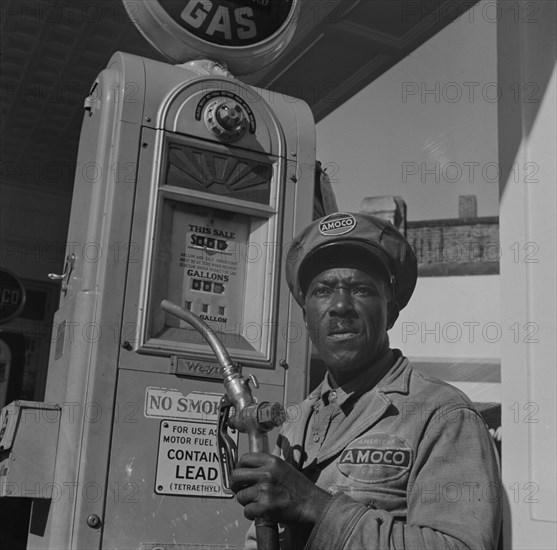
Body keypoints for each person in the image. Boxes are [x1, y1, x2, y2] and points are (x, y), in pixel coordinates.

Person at [231, 212, 502, 549]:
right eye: (323, 291)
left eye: (360, 289)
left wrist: (315, 505)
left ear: (392, 310)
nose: (341, 305)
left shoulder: (442, 415)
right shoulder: (296, 422)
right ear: (306, 315)